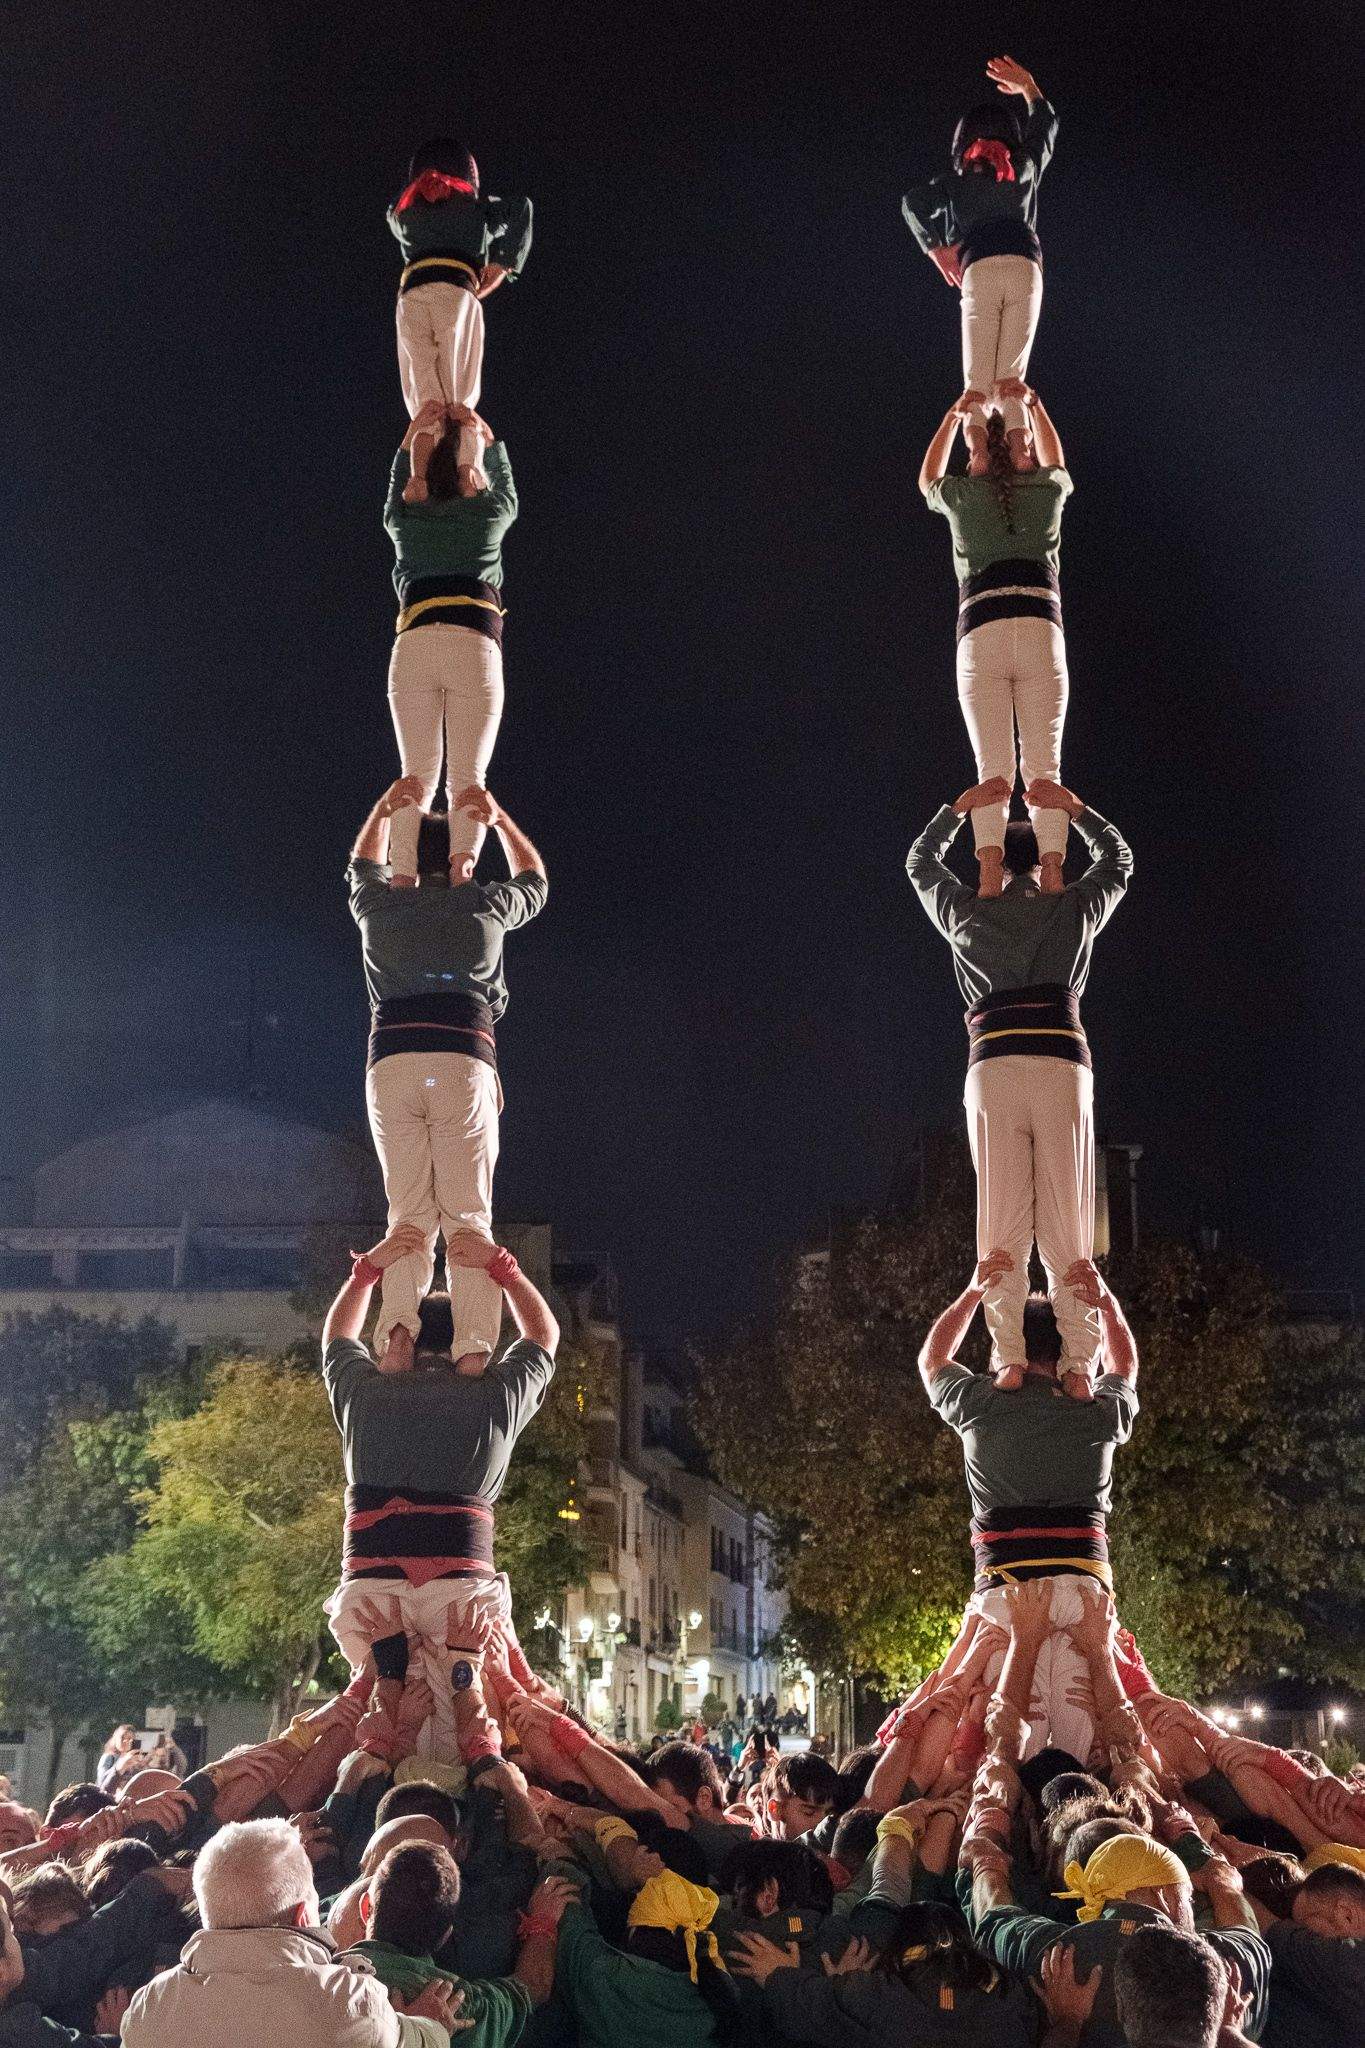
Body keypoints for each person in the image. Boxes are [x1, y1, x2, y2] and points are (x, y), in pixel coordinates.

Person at [906, 777, 1133, 1388]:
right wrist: (1074, 810)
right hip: (1061, 1062)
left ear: (998, 865)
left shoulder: (971, 913)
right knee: (1069, 1223)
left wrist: (960, 810)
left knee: (1000, 1224)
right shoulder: (1070, 908)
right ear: (1041, 863)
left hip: (995, 1065)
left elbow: (919, 864)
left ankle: (1008, 1354)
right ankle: (1080, 1363)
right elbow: (1119, 863)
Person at [319, 1228, 559, 1759]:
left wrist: (366, 1272)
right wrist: (505, 1270)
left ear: (401, 1341)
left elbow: (336, 1336)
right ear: (464, 1344)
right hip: (458, 1596)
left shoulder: (366, 1394)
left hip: (374, 1588)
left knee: (384, 1730)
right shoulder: (494, 1398)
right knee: (468, 1732)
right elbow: (544, 1337)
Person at [347, 777, 547, 1368]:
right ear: (465, 857)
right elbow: (534, 880)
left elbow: (361, 865)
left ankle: (397, 1336)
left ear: (405, 860)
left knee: (406, 1211)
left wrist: (384, 809)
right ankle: (473, 1351)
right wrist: (500, 818)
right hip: (462, 1056)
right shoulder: (484, 905)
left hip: (393, 1061)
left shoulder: (381, 908)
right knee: (467, 1212)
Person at [916, 1257, 1139, 1759]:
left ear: (1005, 1349)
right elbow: (1124, 1367)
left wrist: (974, 1291)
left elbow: (932, 1359)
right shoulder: (1094, 1409)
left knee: (1008, 1759)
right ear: (1066, 1354)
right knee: (1089, 1761)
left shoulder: (981, 1403)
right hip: (1084, 1598)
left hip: (1007, 1598)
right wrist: (1106, 1305)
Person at [919, 387, 1072, 896]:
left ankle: (989, 873)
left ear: (974, 454)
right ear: (1022, 451)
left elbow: (927, 481)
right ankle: (1051, 872)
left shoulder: (964, 497)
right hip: (1037, 627)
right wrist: (1033, 405)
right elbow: (1055, 461)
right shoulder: (1043, 492)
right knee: (1043, 763)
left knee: (994, 770)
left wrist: (952, 416)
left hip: (981, 630)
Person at [121, 1819, 451, 2046]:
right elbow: (422, 2039)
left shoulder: (150, 2007)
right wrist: (430, 2025)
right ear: (304, 1915)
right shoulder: (347, 2001)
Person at [901, 57, 1058, 465]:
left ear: (963, 149)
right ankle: (1022, 454)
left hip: (980, 268)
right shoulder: (1022, 168)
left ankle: (978, 453)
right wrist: (1029, 88)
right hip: (1025, 265)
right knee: (1010, 380)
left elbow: (912, 203)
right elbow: (1045, 128)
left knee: (978, 385)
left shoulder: (956, 183)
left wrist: (936, 248)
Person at [383, 407, 517, 882]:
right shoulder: (485, 518)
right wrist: (485, 438)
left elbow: (395, 499)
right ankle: (461, 871)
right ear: (469, 476)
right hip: (470, 643)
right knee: (468, 779)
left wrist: (411, 441)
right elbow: (508, 496)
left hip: (416, 641)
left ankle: (402, 875)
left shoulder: (410, 520)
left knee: (416, 771)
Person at [388, 141, 532, 499]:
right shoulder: (474, 209)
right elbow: (521, 208)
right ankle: (468, 472)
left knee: (427, 407)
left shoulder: (402, 211)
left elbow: (403, 213)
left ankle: (418, 478)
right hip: (455, 293)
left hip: (411, 300)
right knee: (459, 405)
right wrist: (501, 265)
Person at [1260, 1860, 1365, 2046]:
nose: (1302, 1935)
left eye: (1305, 1929)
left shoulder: (1349, 1962)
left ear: (1346, 1915)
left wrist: (1226, 1889)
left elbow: (1273, 1931)